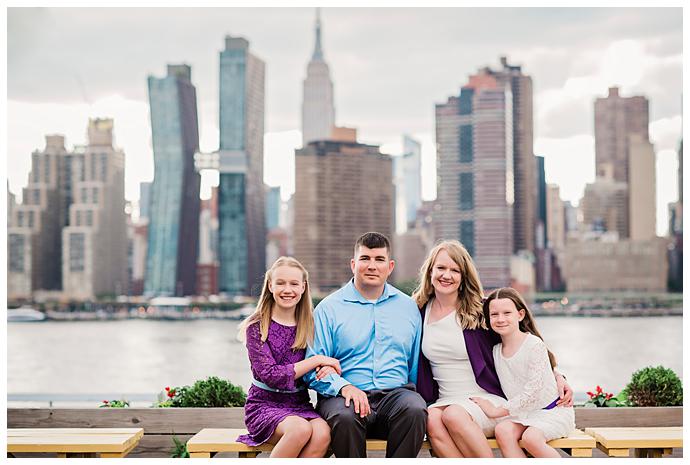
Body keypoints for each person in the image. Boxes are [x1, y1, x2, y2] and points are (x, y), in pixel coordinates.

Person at [413, 240, 573, 458]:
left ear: (463, 277)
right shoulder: (418, 311)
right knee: (431, 418)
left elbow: (524, 339)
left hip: (487, 401)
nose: (446, 275)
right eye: (441, 268)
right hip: (444, 400)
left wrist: (556, 374)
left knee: (453, 415)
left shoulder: (482, 310)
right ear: (430, 271)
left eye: (455, 270)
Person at [304, 232, 427, 458]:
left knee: (415, 409)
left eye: (379, 259)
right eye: (365, 259)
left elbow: (414, 366)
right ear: (353, 264)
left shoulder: (409, 308)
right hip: (343, 399)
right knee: (345, 417)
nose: (372, 265)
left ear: (390, 266)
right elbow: (313, 369)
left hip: (395, 397)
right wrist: (344, 387)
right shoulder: (328, 309)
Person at [237, 257, 340, 458]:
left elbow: (328, 359)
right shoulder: (257, 327)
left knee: (323, 433)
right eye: (281, 283)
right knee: (300, 429)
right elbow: (271, 375)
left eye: (294, 284)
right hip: (264, 405)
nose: (287, 290)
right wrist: (316, 361)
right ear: (270, 285)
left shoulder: (311, 325)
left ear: (303, 287)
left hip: (299, 403)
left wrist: (326, 366)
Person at [470, 287, 576, 458]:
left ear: (520, 315)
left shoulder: (533, 345)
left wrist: (495, 410)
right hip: (525, 414)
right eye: (494, 314)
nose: (501, 319)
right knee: (503, 430)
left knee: (531, 438)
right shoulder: (496, 350)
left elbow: (533, 392)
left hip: (552, 412)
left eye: (507, 313)